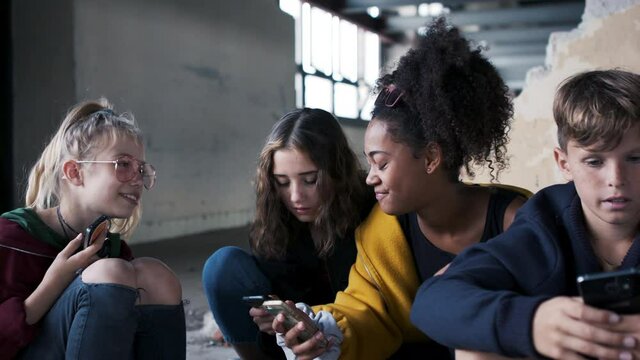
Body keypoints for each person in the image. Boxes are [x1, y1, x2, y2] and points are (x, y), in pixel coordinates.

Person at [274, 18, 531, 360]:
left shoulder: (517, 220)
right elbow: (366, 310)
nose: (370, 177)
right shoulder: (380, 233)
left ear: (430, 157)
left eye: (381, 163)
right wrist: (326, 330)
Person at [411, 69, 640, 360]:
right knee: (474, 349)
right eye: (594, 161)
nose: (616, 179)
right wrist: (532, 324)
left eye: (636, 158)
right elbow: (433, 302)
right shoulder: (542, 226)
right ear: (564, 163)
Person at [0, 98, 186, 359]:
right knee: (110, 272)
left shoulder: (114, 250)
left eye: (141, 169)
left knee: (156, 276)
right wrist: (54, 282)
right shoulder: (10, 238)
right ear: (75, 172)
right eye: (123, 165)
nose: (138, 179)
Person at [201, 108, 374, 359]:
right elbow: (281, 297)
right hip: (292, 344)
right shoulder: (274, 218)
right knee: (222, 265)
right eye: (282, 182)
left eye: (310, 180)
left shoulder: (371, 208)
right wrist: (272, 318)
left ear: (337, 170)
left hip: (354, 332)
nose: (295, 197)